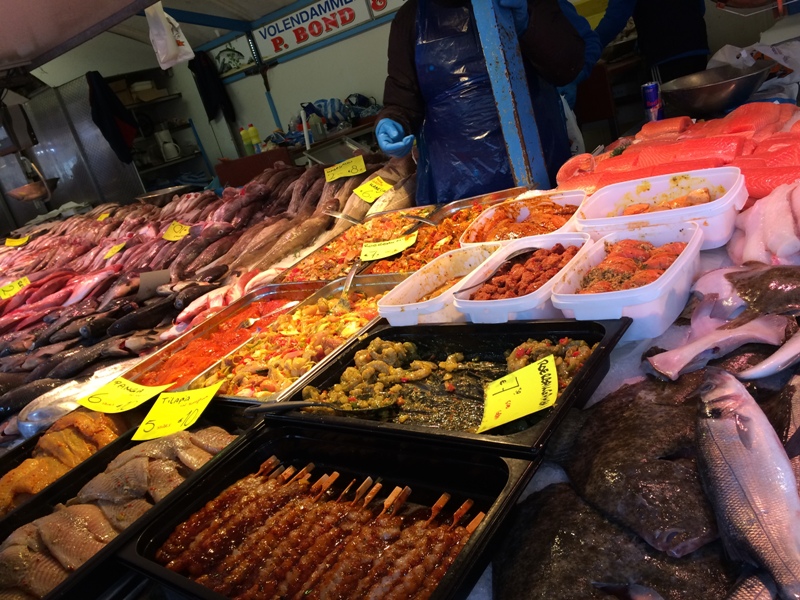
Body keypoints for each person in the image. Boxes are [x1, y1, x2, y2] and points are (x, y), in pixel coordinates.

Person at [375, 0, 586, 205]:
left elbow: (569, 67)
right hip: (459, 193)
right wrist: (393, 121)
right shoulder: (409, 17)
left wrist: (529, 22)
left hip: (544, 173)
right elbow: (402, 98)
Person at [594, 0, 710, 84]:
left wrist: (590, 47)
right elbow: (701, 8)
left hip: (666, 54)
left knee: (668, 107)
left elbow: (614, 20)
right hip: (697, 47)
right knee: (700, 104)